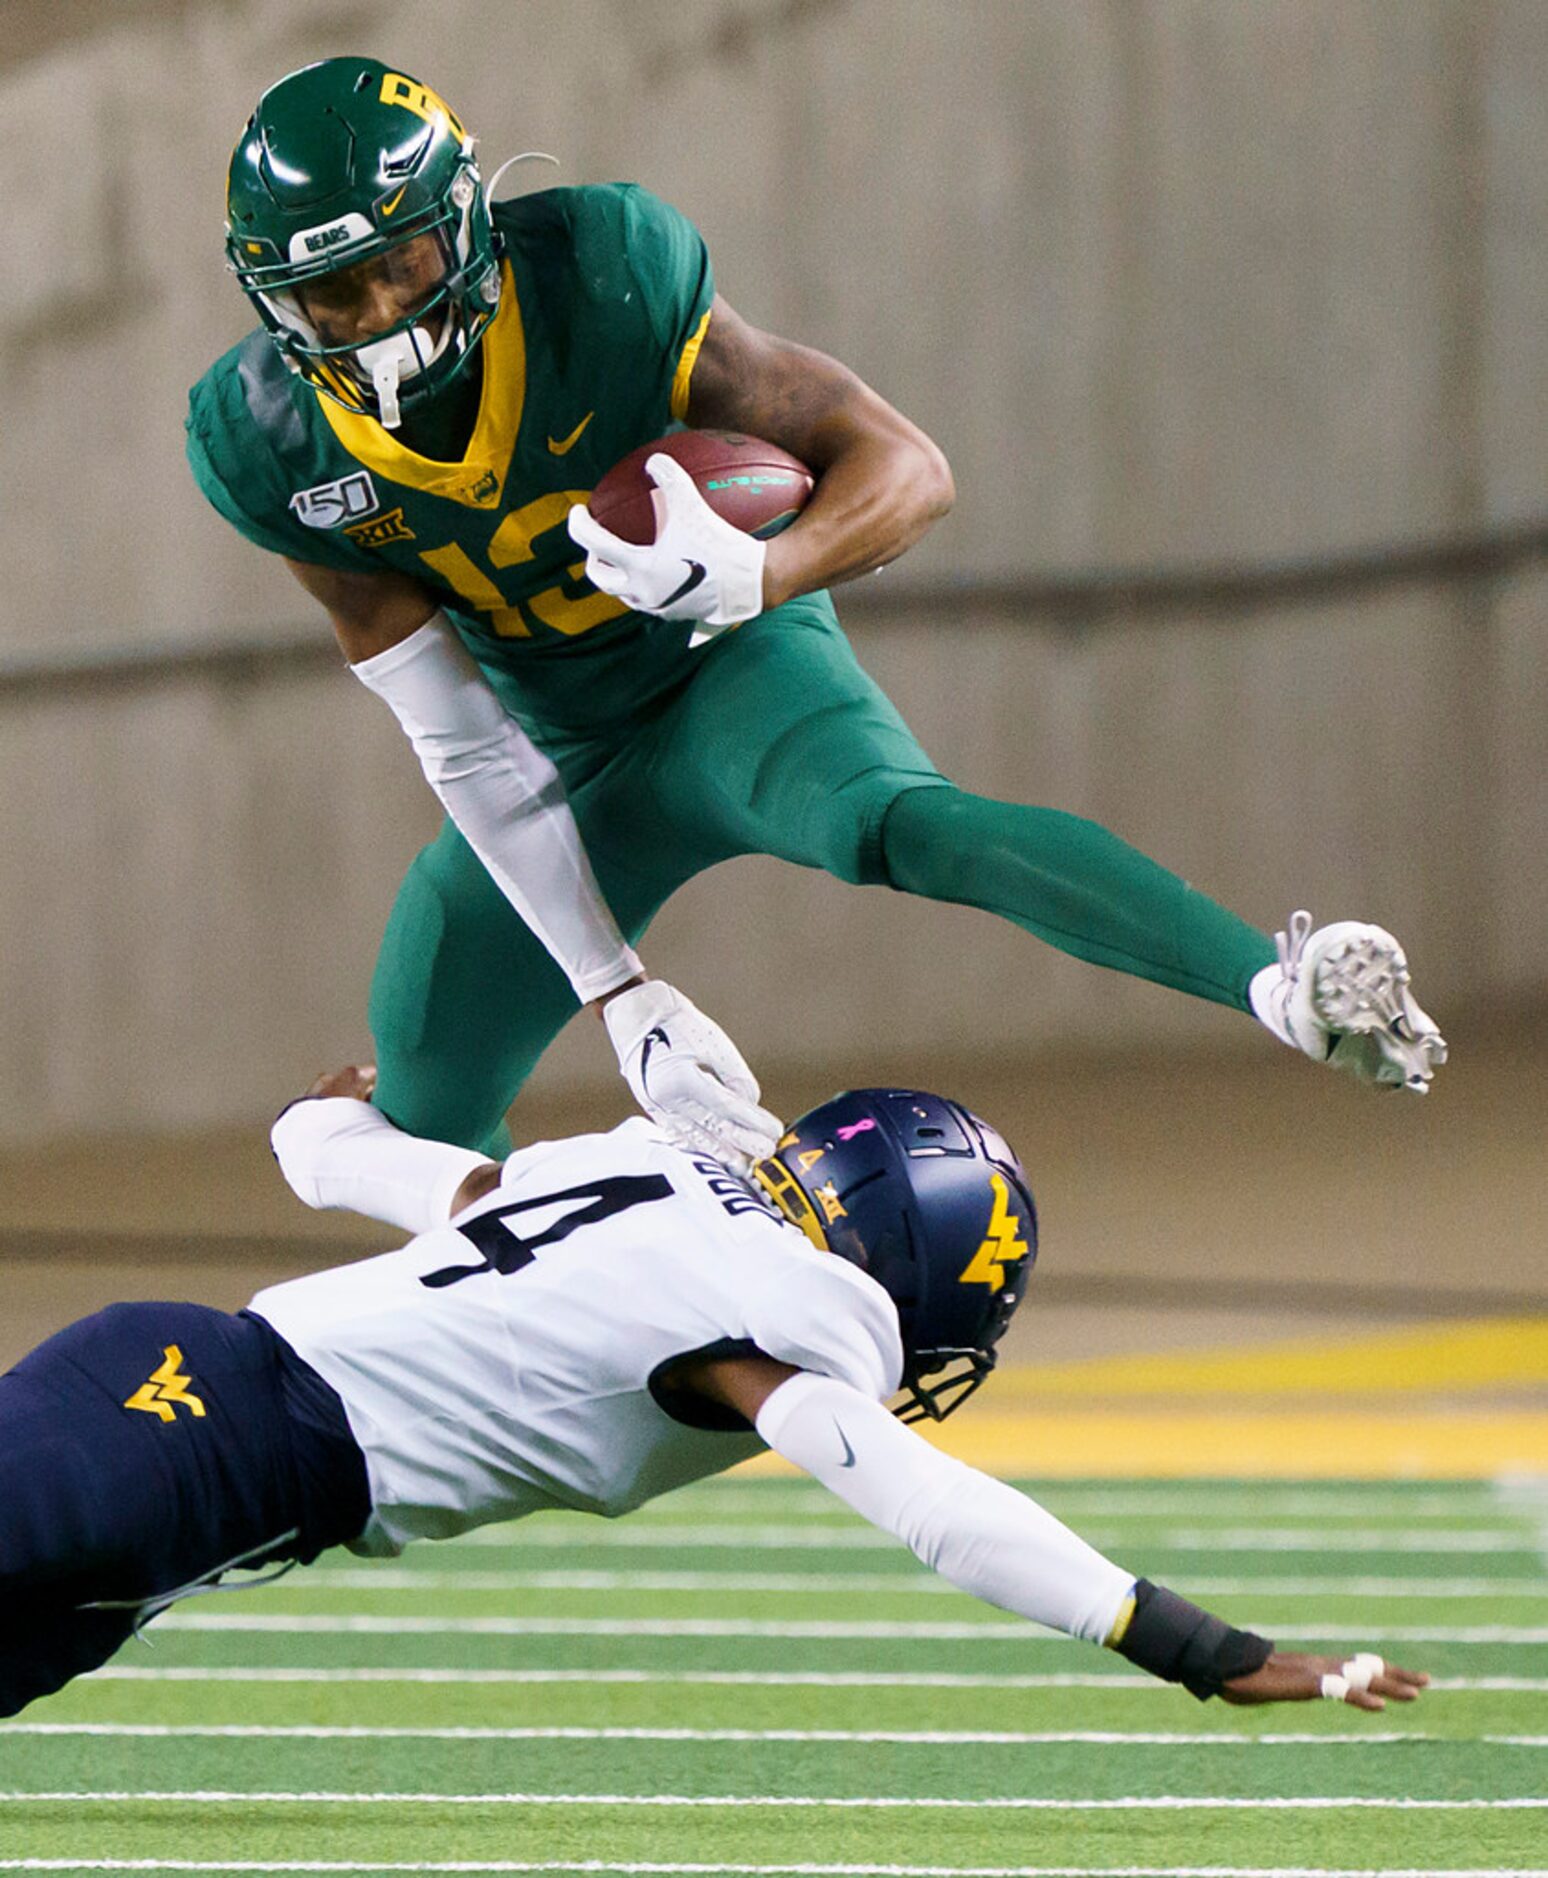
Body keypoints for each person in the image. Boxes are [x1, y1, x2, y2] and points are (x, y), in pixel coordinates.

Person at [186, 57, 1446, 1164]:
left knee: (895, 825)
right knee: (421, 1109)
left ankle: (1280, 987)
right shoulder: (265, 443)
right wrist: (620, 995)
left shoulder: (603, 276)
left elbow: (907, 467)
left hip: (729, 662)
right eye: (330, 298)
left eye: (396, 269)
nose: (376, 324)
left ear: (459, 226)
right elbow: (458, 738)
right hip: (555, 753)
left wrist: (763, 576)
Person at [0, 1066, 1426, 1720]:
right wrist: (1193, 1643)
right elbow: (929, 1502)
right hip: (190, 1431)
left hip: (199, 1434)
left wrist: (331, 1114)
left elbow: (329, 1153)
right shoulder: (769, 1329)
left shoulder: (653, 1176)